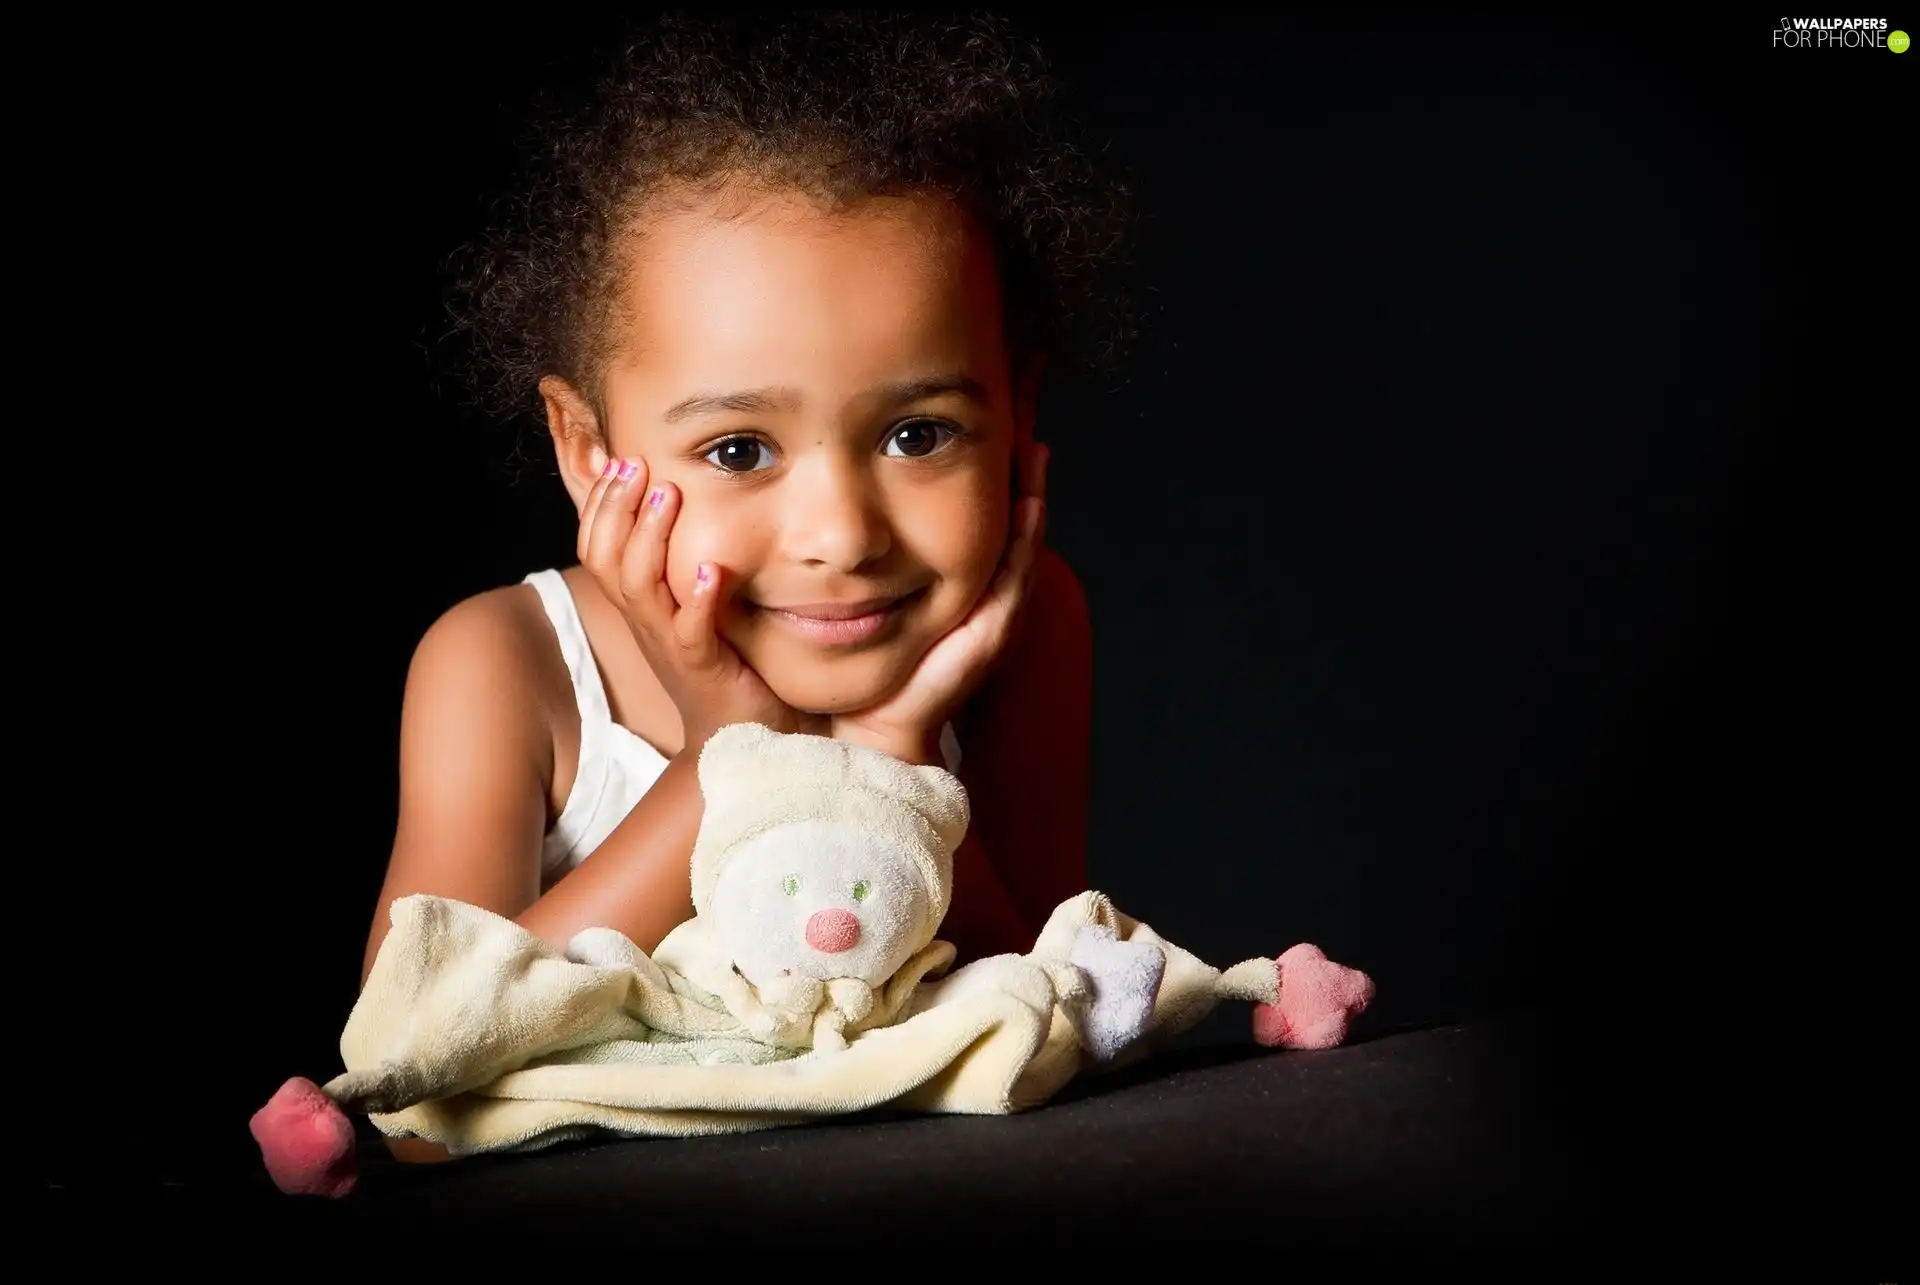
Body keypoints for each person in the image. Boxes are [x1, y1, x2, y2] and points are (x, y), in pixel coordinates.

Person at [359, 11, 1135, 1160]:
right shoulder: (506, 666)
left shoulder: (1020, 632)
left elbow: (1046, 1017)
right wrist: (734, 746)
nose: (840, 534)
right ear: (586, 451)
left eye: (919, 434)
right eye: (738, 451)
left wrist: (892, 744)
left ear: (1016, 409)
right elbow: (409, 1089)